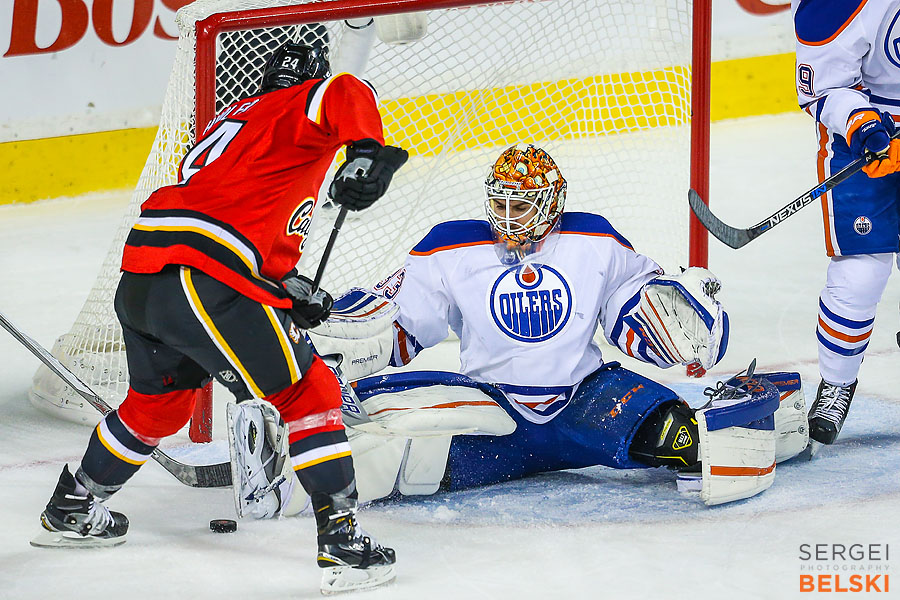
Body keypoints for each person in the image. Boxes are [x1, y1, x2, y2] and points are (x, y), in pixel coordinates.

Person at [32, 41, 407, 594]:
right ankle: (343, 544)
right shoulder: (305, 102)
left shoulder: (231, 123)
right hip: (204, 275)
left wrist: (281, 292)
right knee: (309, 393)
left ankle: (74, 505)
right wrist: (369, 151)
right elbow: (344, 90)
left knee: (158, 407)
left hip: (143, 275)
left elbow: (235, 212)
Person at [299, 144, 809, 508]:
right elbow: (399, 324)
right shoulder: (449, 248)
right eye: (499, 204)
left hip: (588, 401)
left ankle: (778, 417)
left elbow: (634, 316)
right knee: (394, 452)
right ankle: (294, 456)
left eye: (519, 206)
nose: (507, 217)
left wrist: (683, 321)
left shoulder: (595, 241)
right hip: (491, 406)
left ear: (549, 204)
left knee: (688, 441)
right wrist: (339, 329)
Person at [793, 0, 900, 449]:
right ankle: (836, 384)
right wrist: (862, 125)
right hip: (865, 135)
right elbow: (824, 88)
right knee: (860, 274)